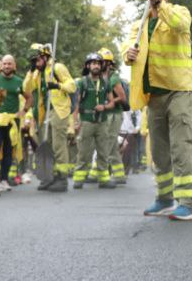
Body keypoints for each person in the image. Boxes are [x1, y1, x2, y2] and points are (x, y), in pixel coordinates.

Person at [125, 0, 192, 222]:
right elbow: (129, 49)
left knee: (180, 147)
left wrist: (160, 5)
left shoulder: (179, 12)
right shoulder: (140, 25)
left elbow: (180, 25)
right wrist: (128, 54)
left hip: (179, 90)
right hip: (154, 95)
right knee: (158, 151)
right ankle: (165, 198)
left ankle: (187, 203)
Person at [23, 43, 77, 191]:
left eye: (37, 60)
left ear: (45, 57)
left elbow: (72, 86)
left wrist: (58, 86)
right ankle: (50, 177)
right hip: (44, 112)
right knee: (48, 145)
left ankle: (62, 178)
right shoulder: (36, 73)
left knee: (59, 145)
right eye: (33, 61)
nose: (36, 63)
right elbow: (26, 89)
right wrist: (30, 71)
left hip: (58, 110)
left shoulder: (57, 68)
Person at [73, 53, 115, 189]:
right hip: (86, 122)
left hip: (102, 122)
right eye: (93, 63)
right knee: (83, 152)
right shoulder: (82, 82)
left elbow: (112, 103)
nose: (96, 66)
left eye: (98, 63)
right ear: (88, 66)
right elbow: (76, 103)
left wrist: (104, 107)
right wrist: (75, 122)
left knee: (103, 152)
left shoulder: (106, 83)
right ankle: (79, 179)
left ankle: (104, 180)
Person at [0, 54, 27, 188]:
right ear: (1, 65)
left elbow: (29, 98)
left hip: (12, 121)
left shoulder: (19, 81)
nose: (6, 66)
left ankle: (3, 179)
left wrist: (23, 111)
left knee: (8, 150)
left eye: (9, 64)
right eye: (4, 63)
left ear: (14, 66)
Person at [99, 47, 129, 185]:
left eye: (101, 61)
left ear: (108, 63)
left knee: (109, 143)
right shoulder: (99, 78)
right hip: (105, 114)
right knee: (109, 144)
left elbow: (122, 97)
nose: (98, 64)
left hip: (114, 115)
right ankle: (119, 175)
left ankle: (103, 173)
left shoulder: (113, 77)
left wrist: (109, 102)